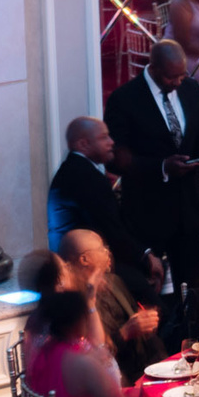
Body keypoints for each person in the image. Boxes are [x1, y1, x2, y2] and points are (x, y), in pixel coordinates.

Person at [102, 38, 199, 308]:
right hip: (146, 212)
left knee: (192, 292)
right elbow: (115, 159)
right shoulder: (125, 99)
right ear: (153, 68)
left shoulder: (189, 89)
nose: (177, 82)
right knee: (145, 296)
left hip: (187, 209)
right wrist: (162, 167)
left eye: (181, 75)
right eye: (171, 76)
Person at [46, 116, 156, 288]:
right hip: (82, 270)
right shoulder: (84, 177)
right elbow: (112, 230)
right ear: (83, 144)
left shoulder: (75, 170)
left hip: (78, 262)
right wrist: (145, 256)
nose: (111, 142)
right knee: (153, 304)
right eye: (103, 137)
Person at [60, 228, 165, 379]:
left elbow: (143, 331)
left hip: (149, 367)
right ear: (84, 259)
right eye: (101, 248)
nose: (107, 252)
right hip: (114, 381)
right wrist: (125, 333)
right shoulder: (74, 303)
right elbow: (92, 358)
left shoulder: (114, 281)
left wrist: (146, 323)